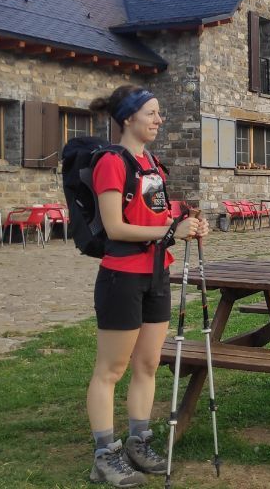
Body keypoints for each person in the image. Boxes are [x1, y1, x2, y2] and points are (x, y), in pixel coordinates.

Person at [84, 85, 208, 487]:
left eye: (159, 113)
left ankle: (139, 443)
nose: (159, 120)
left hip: (156, 273)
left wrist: (187, 220)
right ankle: (104, 455)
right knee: (111, 369)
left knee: (148, 364)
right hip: (122, 276)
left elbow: (156, 214)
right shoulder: (111, 162)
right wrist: (172, 232)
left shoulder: (151, 162)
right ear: (128, 118)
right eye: (151, 113)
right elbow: (115, 227)